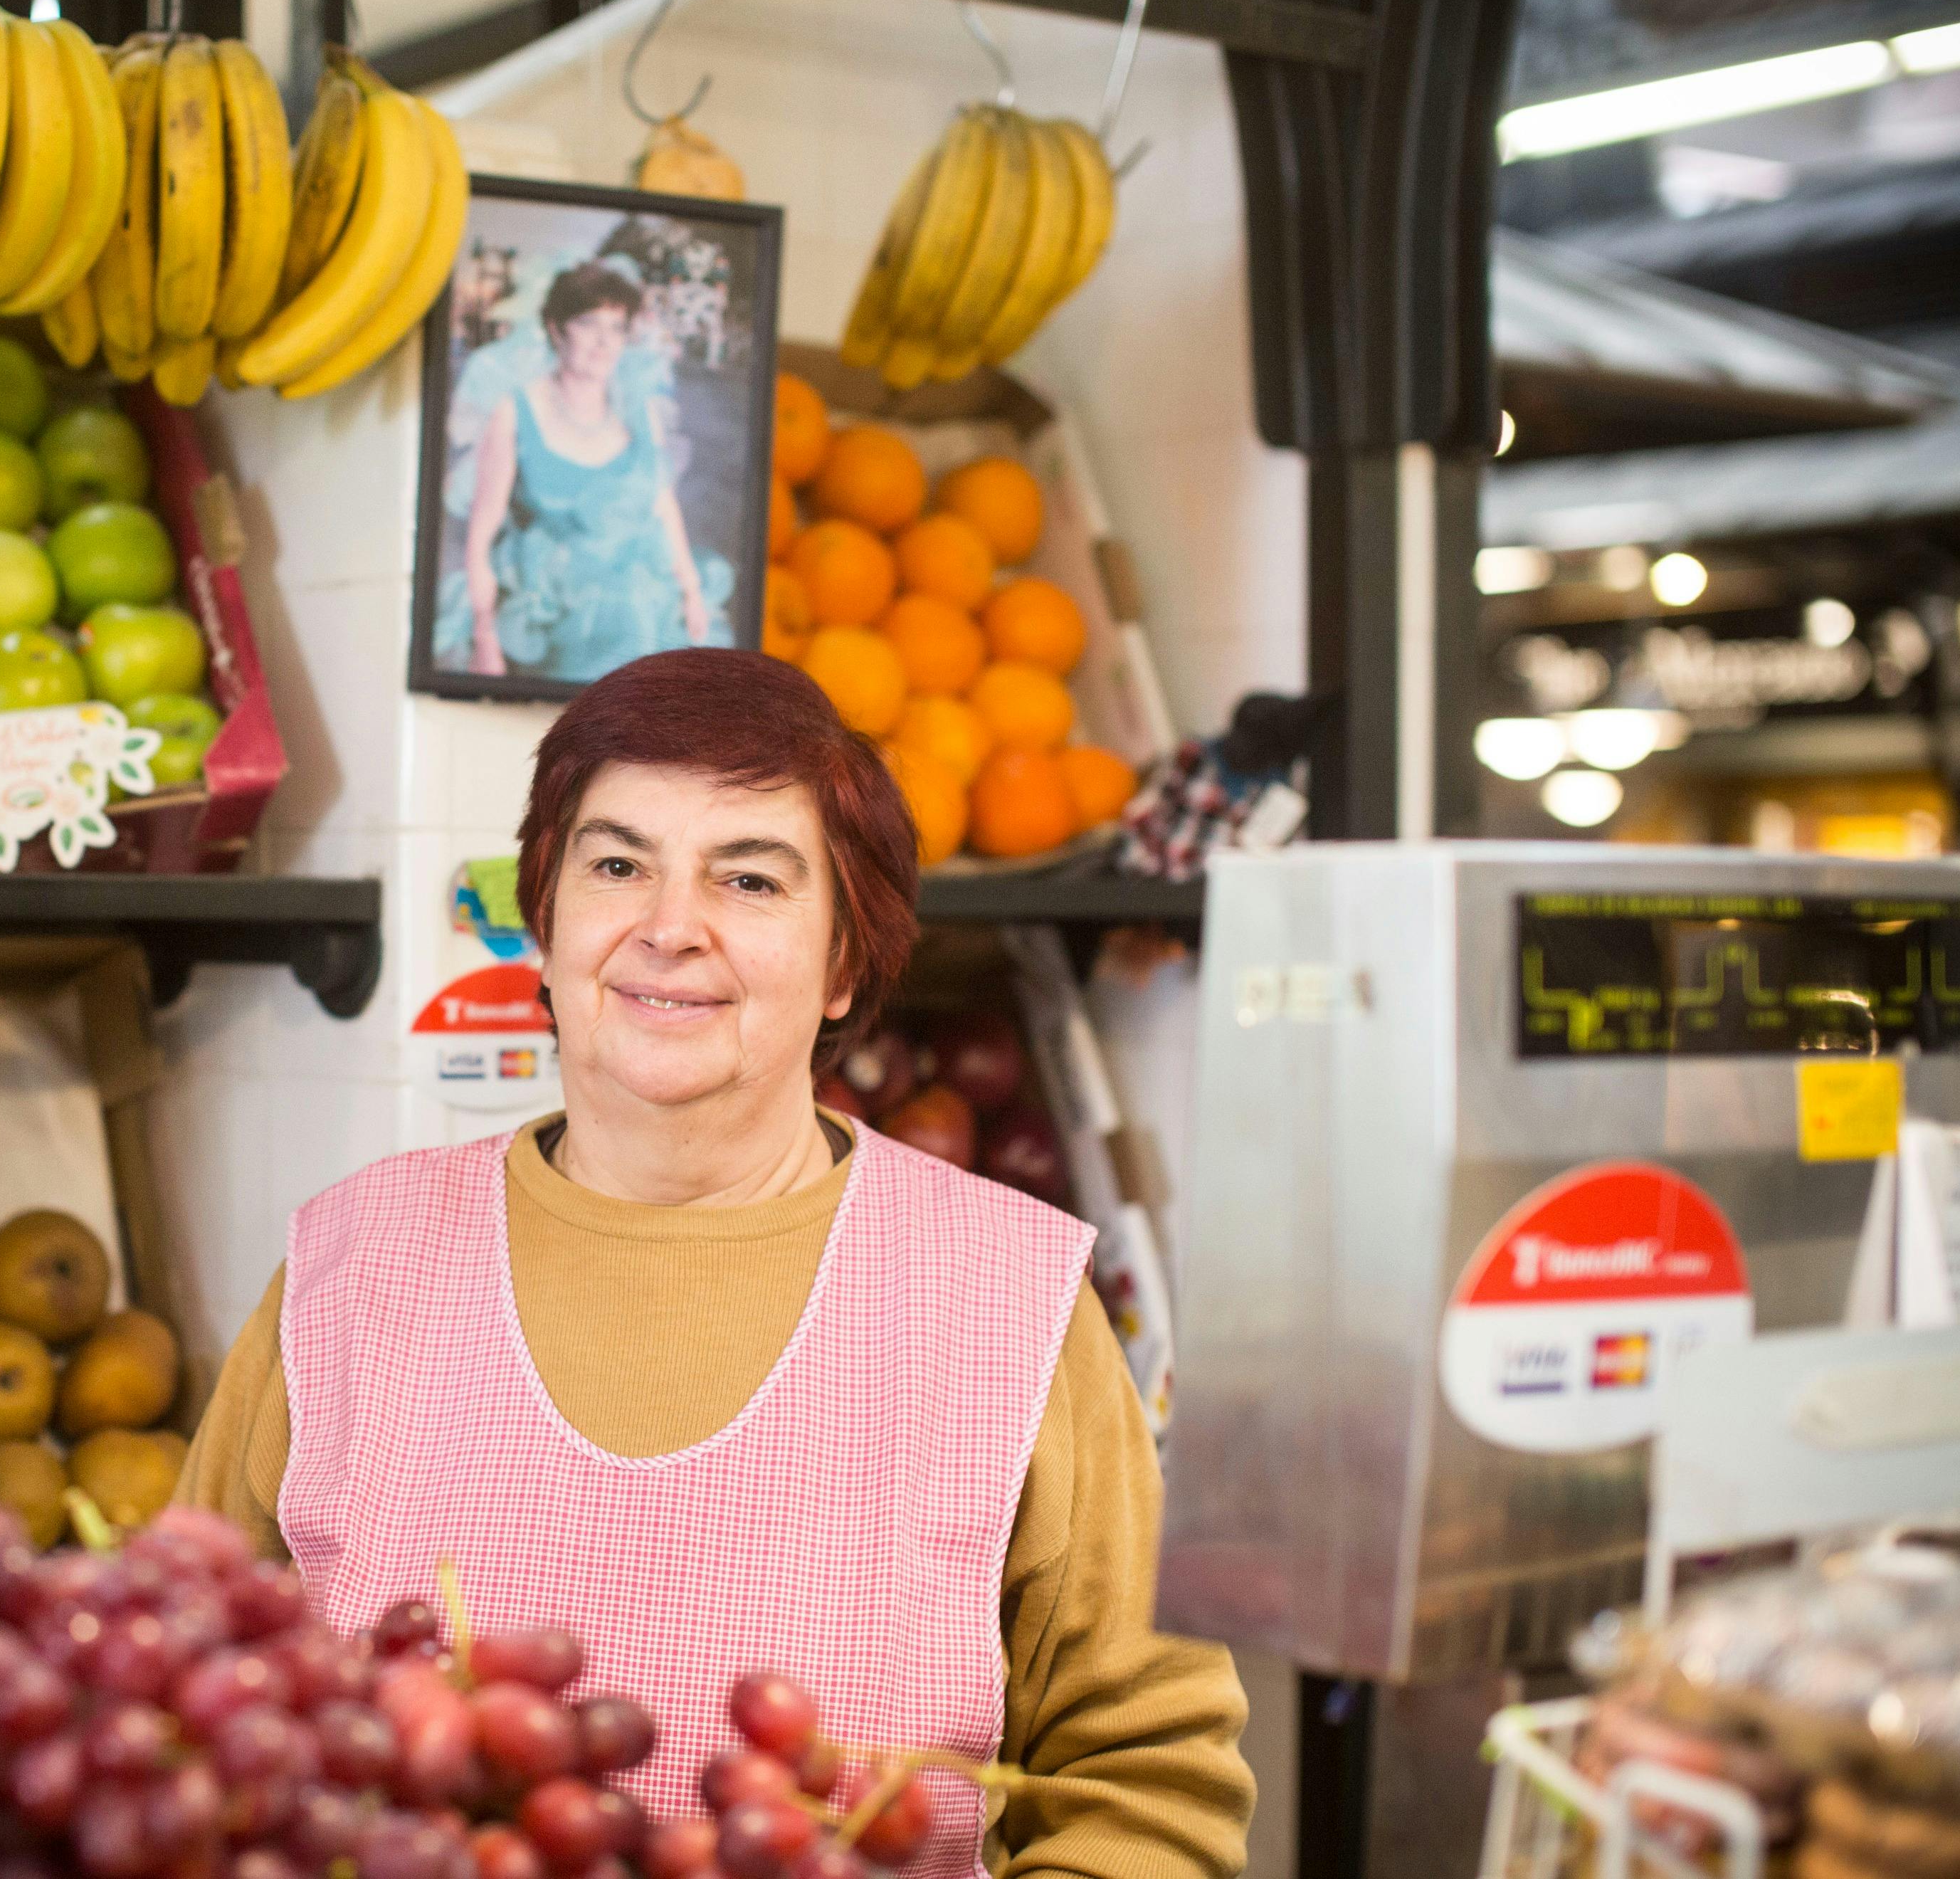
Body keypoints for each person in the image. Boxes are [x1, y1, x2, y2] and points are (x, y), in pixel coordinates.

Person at [178, 648, 1255, 1878]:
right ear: (546, 919)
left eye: (748, 879)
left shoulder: (1007, 1300)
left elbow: (1146, 1778)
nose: (670, 928)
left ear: (847, 962)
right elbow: (191, 1717)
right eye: (618, 865)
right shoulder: (349, 1273)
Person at [446, 261, 730, 681]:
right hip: (555, 615)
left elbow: (663, 507)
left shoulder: (639, 410)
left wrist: (690, 592)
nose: (604, 343)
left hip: (646, 606)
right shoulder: (516, 412)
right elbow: (480, 538)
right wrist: (486, 638)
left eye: (616, 328)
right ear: (556, 328)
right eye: (588, 324)